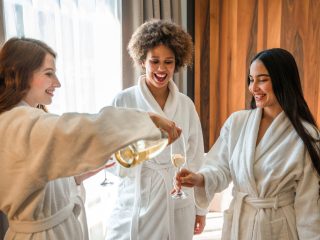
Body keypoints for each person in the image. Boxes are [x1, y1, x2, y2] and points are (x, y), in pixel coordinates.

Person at [0, 37, 181, 240]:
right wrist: (148, 119)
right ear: (21, 74)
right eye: (49, 73)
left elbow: (33, 181)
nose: (57, 83)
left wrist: (76, 176)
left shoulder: (19, 119)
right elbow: (83, 129)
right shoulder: (20, 122)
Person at [176, 48, 320, 239]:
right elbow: (219, 166)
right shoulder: (237, 123)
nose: (253, 88)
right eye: (251, 80)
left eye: (262, 79)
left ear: (283, 80)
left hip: (279, 229)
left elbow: (309, 204)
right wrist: (200, 179)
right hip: (239, 223)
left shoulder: (306, 135)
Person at [106, 19, 207, 240]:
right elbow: (108, 155)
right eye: (155, 61)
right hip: (137, 198)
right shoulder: (124, 100)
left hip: (177, 200)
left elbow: (197, 157)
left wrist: (201, 209)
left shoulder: (186, 105)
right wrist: (136, 166)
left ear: (177, 63)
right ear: (142, 60)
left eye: (168, 62)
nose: (161, 69)